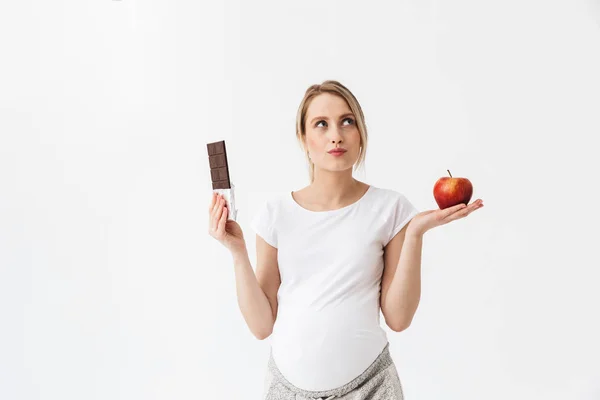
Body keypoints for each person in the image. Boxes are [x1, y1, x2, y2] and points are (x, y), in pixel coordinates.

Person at [208, 80, 484, 399]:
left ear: (361, 133)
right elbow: (261, 326)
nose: (336, 135)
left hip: (370, 388)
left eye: (347, 121)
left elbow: (398, 318)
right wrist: (237, 252)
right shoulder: (275, 214)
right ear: (304, 138)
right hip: (287, 390)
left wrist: (415, 234)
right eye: (321, 124)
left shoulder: (390, 208)